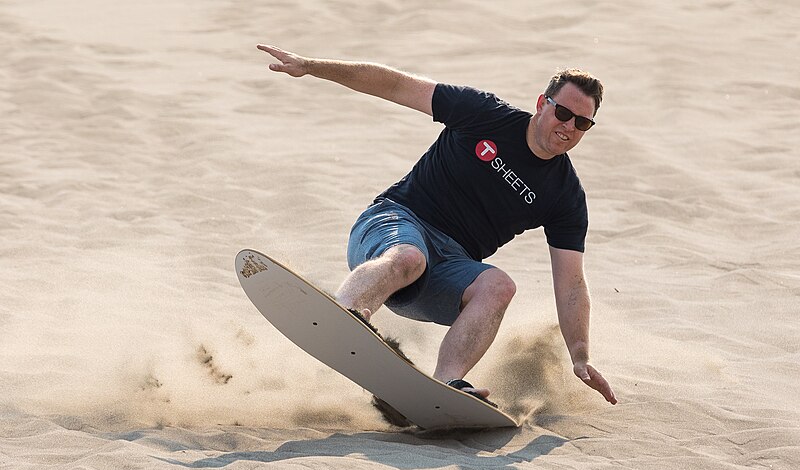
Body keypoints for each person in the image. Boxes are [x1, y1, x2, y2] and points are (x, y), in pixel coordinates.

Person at [257, 44, 617, 413]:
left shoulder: (565, 195)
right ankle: (346, 313)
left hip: (444, 271)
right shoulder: (483, 114)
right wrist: (312, 66)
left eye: (582, 123)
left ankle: (447, 387)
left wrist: (580, 355)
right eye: (563, 112)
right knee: (410, 256)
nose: (569, 127)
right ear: (542, 102)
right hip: (395, 222)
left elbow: (572, 283)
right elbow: (394, 85)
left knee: (499, 286)